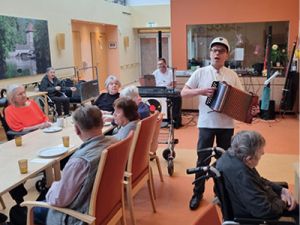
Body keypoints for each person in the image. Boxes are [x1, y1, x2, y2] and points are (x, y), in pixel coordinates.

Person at [181, 37, 259, 210]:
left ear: (226, 55)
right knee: (202, 160)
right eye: (214, 50)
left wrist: (251, 110)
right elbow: (183, 93)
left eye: (221, 51)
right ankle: (197, 193)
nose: (217, 53)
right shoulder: (200, 73)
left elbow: (244, 100)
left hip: (226, 125)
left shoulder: (232, 75)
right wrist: (202, 91)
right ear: (210, 53)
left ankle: (220, 194)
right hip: (206, 124)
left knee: (224, 162)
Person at [13, 105, 117, 225]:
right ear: (102, 123)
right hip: (106, 205)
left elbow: (59, 200)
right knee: (48, 191)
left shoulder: (80, 162)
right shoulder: (115, 142)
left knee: (17, 211)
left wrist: (53, 188)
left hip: (79, 216)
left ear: (77, 130)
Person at [216, 130, 299, 224]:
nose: (263, 153)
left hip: (263, 199)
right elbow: (264, 210)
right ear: (249, 158)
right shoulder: (242, 175)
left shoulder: (233, 156)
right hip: (261, 213)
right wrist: (283, 202)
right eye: (260, 152)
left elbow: (258, 180)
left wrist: (281, 190)